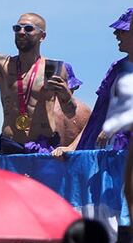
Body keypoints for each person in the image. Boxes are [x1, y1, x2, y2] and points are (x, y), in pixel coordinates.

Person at [0, 13, 88, 154]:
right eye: (17, 28)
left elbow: (70, 113)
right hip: (10, 145)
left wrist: (66, 95)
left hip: (42, 146)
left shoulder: (52, 68)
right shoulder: (3, 64)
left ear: (42, 36)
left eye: (28, 28)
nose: (21, 32)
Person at [54, 8, 133, 158]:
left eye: (122, 31)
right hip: (110, 155)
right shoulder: (117, 68)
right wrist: (72, 147)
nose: (116, 34)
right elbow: (97, 115)